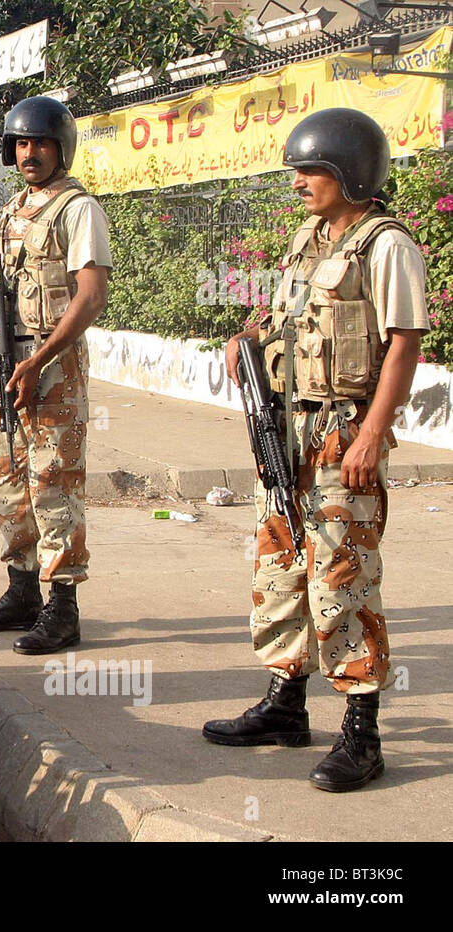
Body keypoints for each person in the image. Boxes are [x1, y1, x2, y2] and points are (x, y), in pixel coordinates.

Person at [202, 109, 429, 792]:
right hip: (289, 430)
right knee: (279, 562)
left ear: (350, 173)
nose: (297, 182)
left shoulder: (385, 245)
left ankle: (362, 734)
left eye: (311, 171)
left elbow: (404, 343)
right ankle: (284, 703)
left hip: (342, 434)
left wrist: (368, 435)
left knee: (342, 576)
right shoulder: (309, 240)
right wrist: (250, 342)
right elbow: (284, 319)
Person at [0, 96, 112, 656]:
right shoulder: (13, 212)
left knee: (54, 484)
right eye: (21, 143)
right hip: (7, 367)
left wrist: (39, 359)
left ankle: (62, 607)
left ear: (61, 148)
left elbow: (90, 296)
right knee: (6, 481)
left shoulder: (78, 210)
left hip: (52, 369)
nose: (29, 152)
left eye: (40, 142)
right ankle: (21, 590)